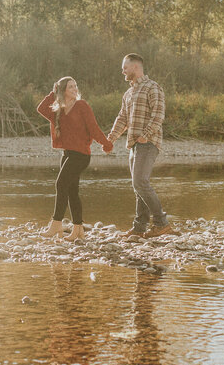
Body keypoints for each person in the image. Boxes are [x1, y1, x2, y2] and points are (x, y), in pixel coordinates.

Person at [36, 76, 113, 242]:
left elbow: (93, 128)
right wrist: (53, 92)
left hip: (81, 155)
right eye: (70, 87)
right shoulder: (60, 109)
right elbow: (41, 109)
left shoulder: (82, 106)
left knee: (60, 183)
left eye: (75, 86)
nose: (74, 89)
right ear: (63, 90)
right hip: (68, 154)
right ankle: (78, 229)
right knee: (71, 191)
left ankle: (56, 223)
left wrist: (106, 143)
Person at [106, 53, 174, 238]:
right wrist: (110, 138)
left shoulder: (153, 87)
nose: (123, 71)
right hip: (134, 145)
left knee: (140, 183)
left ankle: (161, 223)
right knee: (138, 187)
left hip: (148, 143)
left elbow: (159, 115)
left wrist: (145, 136)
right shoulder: (129, 93)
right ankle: (139, 228)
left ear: (135, 67)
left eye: (125, 67)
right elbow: (122, 118)